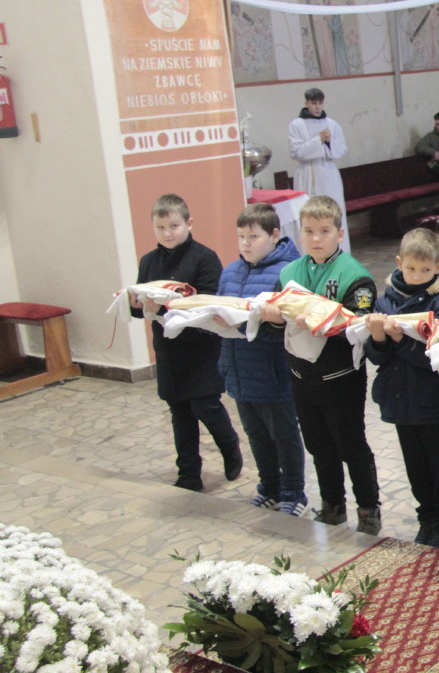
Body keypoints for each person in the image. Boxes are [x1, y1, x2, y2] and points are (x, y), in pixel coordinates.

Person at [258, 196, 382, 534]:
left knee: (350, 444)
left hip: (340, 376)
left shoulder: (354, 276)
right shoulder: (289, 272)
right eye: (308, 231)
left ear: (339, 234)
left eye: (324, 231)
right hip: (301, 374)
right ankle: (332, 505)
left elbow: (359, 324)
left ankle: (368, 508)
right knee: (318, 443)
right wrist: (273, 318)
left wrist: (322, 320)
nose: (315, 238)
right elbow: (277, 321)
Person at [130, 194, 242, 493]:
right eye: (160, 227)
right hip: (169, 348)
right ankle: (189, 472)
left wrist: (168, 304)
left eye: (174, 226)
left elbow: (210, 301)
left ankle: (229, 445)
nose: (167, 233)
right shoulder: (149, 261)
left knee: (206, 405)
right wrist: (135, 303)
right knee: (179, 410)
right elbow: (141, 309)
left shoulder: (204, 257)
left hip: (201, 346)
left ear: (189, 223)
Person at [363, 228, 439, 550]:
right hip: (399, 399)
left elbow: (437, 356)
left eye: (425, 270)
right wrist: (378, 337)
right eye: (411, 268)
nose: (417, 276)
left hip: (434, 400)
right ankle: (426, 518)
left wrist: (399, 339)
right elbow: (377, 358)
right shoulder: (384, 301)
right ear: (399, 263)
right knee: (415, 465)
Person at [215, 204, 305, 515]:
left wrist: (246, 323)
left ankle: (294, 493)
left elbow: (291, 326)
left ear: (274, 235)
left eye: (253, 236)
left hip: (273, 371)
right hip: (239, 368)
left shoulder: (288, 271)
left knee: (283, 435)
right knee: (256, 434)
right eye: (241, 236)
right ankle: (269, 487)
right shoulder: (230, 271)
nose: (245, 243)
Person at [288, 88, 349, 251]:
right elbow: (296, 152)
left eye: (320, 103)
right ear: (306, 103)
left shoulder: (332, 124)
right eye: (313, 103)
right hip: (307, 174)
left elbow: (342, 149)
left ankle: (337, 250)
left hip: (328, 173)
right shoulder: (296, 125)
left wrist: (328, 142)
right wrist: (318, 140)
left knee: (333, 212)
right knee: (309, 213)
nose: (317, 107)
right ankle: (311, 252)